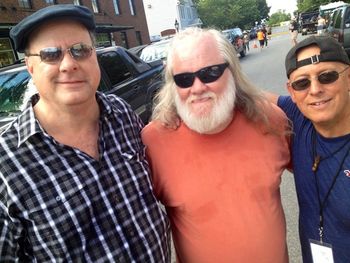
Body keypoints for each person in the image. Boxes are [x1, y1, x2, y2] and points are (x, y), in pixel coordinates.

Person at [0, 4, 170, 262]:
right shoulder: (6, 166)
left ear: (94, 56)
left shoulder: (122, 114)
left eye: (80, 50)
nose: (69, 64)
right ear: (30, 67)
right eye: (50, 54)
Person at [141, 27, 290, 262]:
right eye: (184, 79)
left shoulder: (270, 119)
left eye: (210, 73)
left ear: (231, 71)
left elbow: (316, 171)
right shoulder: (152, 142)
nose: (197, 88)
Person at [271, 35, 350, 263]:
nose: (315, 90)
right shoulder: (299, 117)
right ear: (292, 92)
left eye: (327, 76)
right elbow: (241, 95)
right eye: (302, 83)